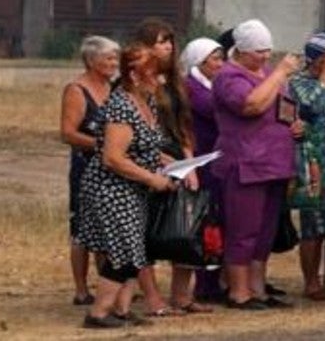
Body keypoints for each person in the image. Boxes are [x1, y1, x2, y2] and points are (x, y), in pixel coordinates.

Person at [75, 44, 178, 328]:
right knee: (124, 252)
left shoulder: (147, 102)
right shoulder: (121, 105)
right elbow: (112, 157)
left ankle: (121, 310)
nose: (161, 81)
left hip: (133, 189)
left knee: (135, 250)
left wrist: (162, 159)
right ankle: (98, 313)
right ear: (133, 76)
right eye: (155, 75)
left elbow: (141, 144)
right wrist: (152, 178)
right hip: (111, 189)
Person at [211, 19, 303, 309]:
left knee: (264, 232)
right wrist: (279, 73)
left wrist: (294, 124)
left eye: (268, 51)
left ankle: (258, 288)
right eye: (258, 52)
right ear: (240, 51)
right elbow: (251, 105)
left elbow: (280, 107)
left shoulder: (265, 73)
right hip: (245, 163)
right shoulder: (228, 77)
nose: (264, 57)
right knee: (243, 230)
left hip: (274, 163)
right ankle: (238, 292)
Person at [134, 18, 206, 316]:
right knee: (146, 233)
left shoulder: (176, 80)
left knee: (185, 226)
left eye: (169, 41)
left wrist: (189, 162)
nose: (166, 47)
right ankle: (153, 299)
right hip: (149, 160)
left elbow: (184, 123)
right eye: (159, 41)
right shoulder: (135, 81)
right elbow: (136, 131)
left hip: (181, 158)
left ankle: (181, 296)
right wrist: (168, 161)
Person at [60, 35, 120, 306]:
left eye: (115, 58)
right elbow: (68, 133)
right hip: (86, 168)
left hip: (113, 167)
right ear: (91, 60)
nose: (114, 63)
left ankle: (107, 282)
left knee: (107, 226)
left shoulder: (114, 88)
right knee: (82, 228)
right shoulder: (76, 90)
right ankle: (81, 289)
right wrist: (102, 144)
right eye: (108, 58)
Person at [288, 33, 325, 300]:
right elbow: (312, 106)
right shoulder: (298, 82)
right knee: (313, 226)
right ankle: (312, 282)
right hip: (313, 160)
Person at [181, 37, 227, 303]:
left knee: (217, 219)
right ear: (200, 61)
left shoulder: (208, 85)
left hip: (215, 158)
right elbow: (214, 109)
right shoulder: (193, 87)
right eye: (215, 59)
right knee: (205, 220)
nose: (221, 64)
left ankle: (214, 279)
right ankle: (204, 284)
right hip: (202, 159)